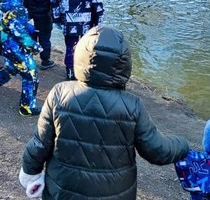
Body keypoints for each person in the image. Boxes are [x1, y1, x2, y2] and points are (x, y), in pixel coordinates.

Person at [20, 26, 189, 199]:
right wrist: (182, 145)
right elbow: (157, 150)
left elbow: (39, 144)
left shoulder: (59, 93)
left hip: (62, 192)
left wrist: (30, 174)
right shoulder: (132, 106)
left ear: (81, 56)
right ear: (123, 63)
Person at [51, 0, 104, 80]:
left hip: (67, 20)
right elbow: (97, 1)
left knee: (70, 45)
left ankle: (70, 72)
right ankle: (83, 72)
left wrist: (56, 19)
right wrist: (98, 22)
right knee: (86, 45)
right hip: (87, 21)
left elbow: (53, 0)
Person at [24, 0, 54, 69]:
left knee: (31, 41)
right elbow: (53, 5)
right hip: (45, 21)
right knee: (45, 41)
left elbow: (24, 5)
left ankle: (29, 61)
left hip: (32, 21)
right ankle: (45, 61)